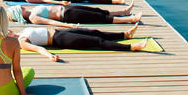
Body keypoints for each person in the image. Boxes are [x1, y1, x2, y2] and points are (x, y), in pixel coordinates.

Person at [16, 24, 147, 61]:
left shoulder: (22, 31)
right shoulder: (21, 41)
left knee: (94, 32)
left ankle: (125, 34)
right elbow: (38, 49)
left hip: (60, 31)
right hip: (60, 39)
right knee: (97, 41)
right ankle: (131, 47)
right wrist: (50, 55)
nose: (9, 31)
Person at [6, 2, 141, 26]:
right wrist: (68, 26)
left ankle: (124, 12)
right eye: (20, 8)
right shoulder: (32, 17)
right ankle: (129, 19)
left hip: (68, 9)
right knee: (99, 18)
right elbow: (51, 22)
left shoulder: (31, 12)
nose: (22, 7)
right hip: (68, 16)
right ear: (20, 13)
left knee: (96, 11)